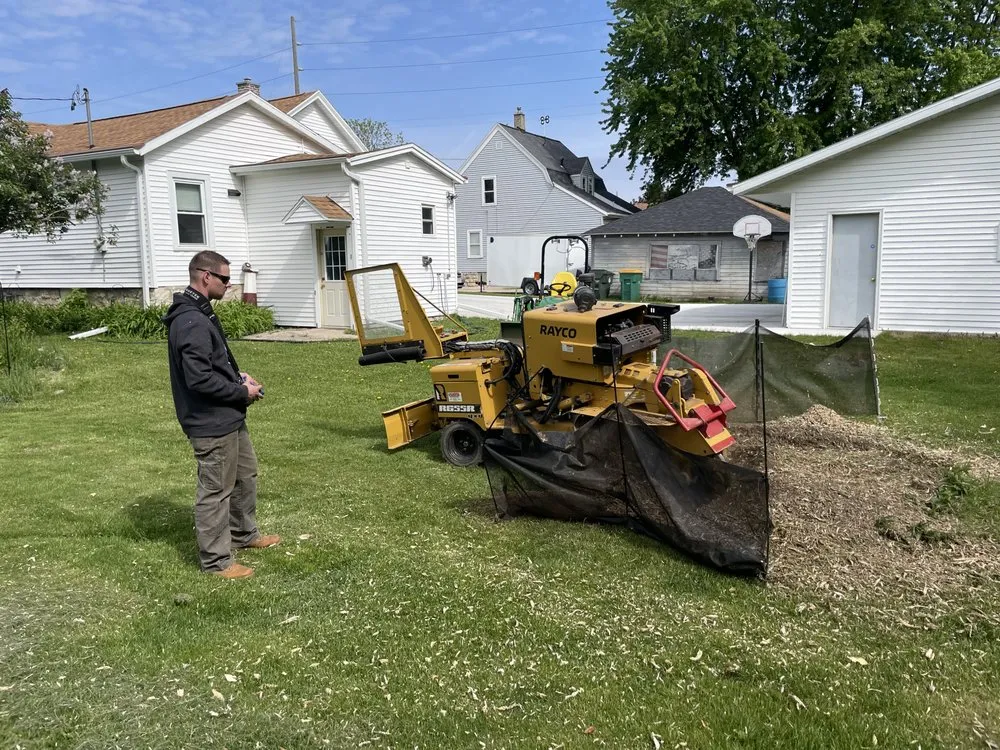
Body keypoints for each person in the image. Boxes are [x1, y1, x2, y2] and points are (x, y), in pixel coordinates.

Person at [163, 250, 280, 579]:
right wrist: (242, 392)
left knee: (245, 477)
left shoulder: (199, 313)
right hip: (210, 423)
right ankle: (216, 562)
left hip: (228, 418)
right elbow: (198, 379)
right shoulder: (190, 321)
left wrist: (237, 377)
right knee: (215, 491)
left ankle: (243, 534)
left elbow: (213, 365)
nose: (230, 285)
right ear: (206, 277)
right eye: (226, 279)